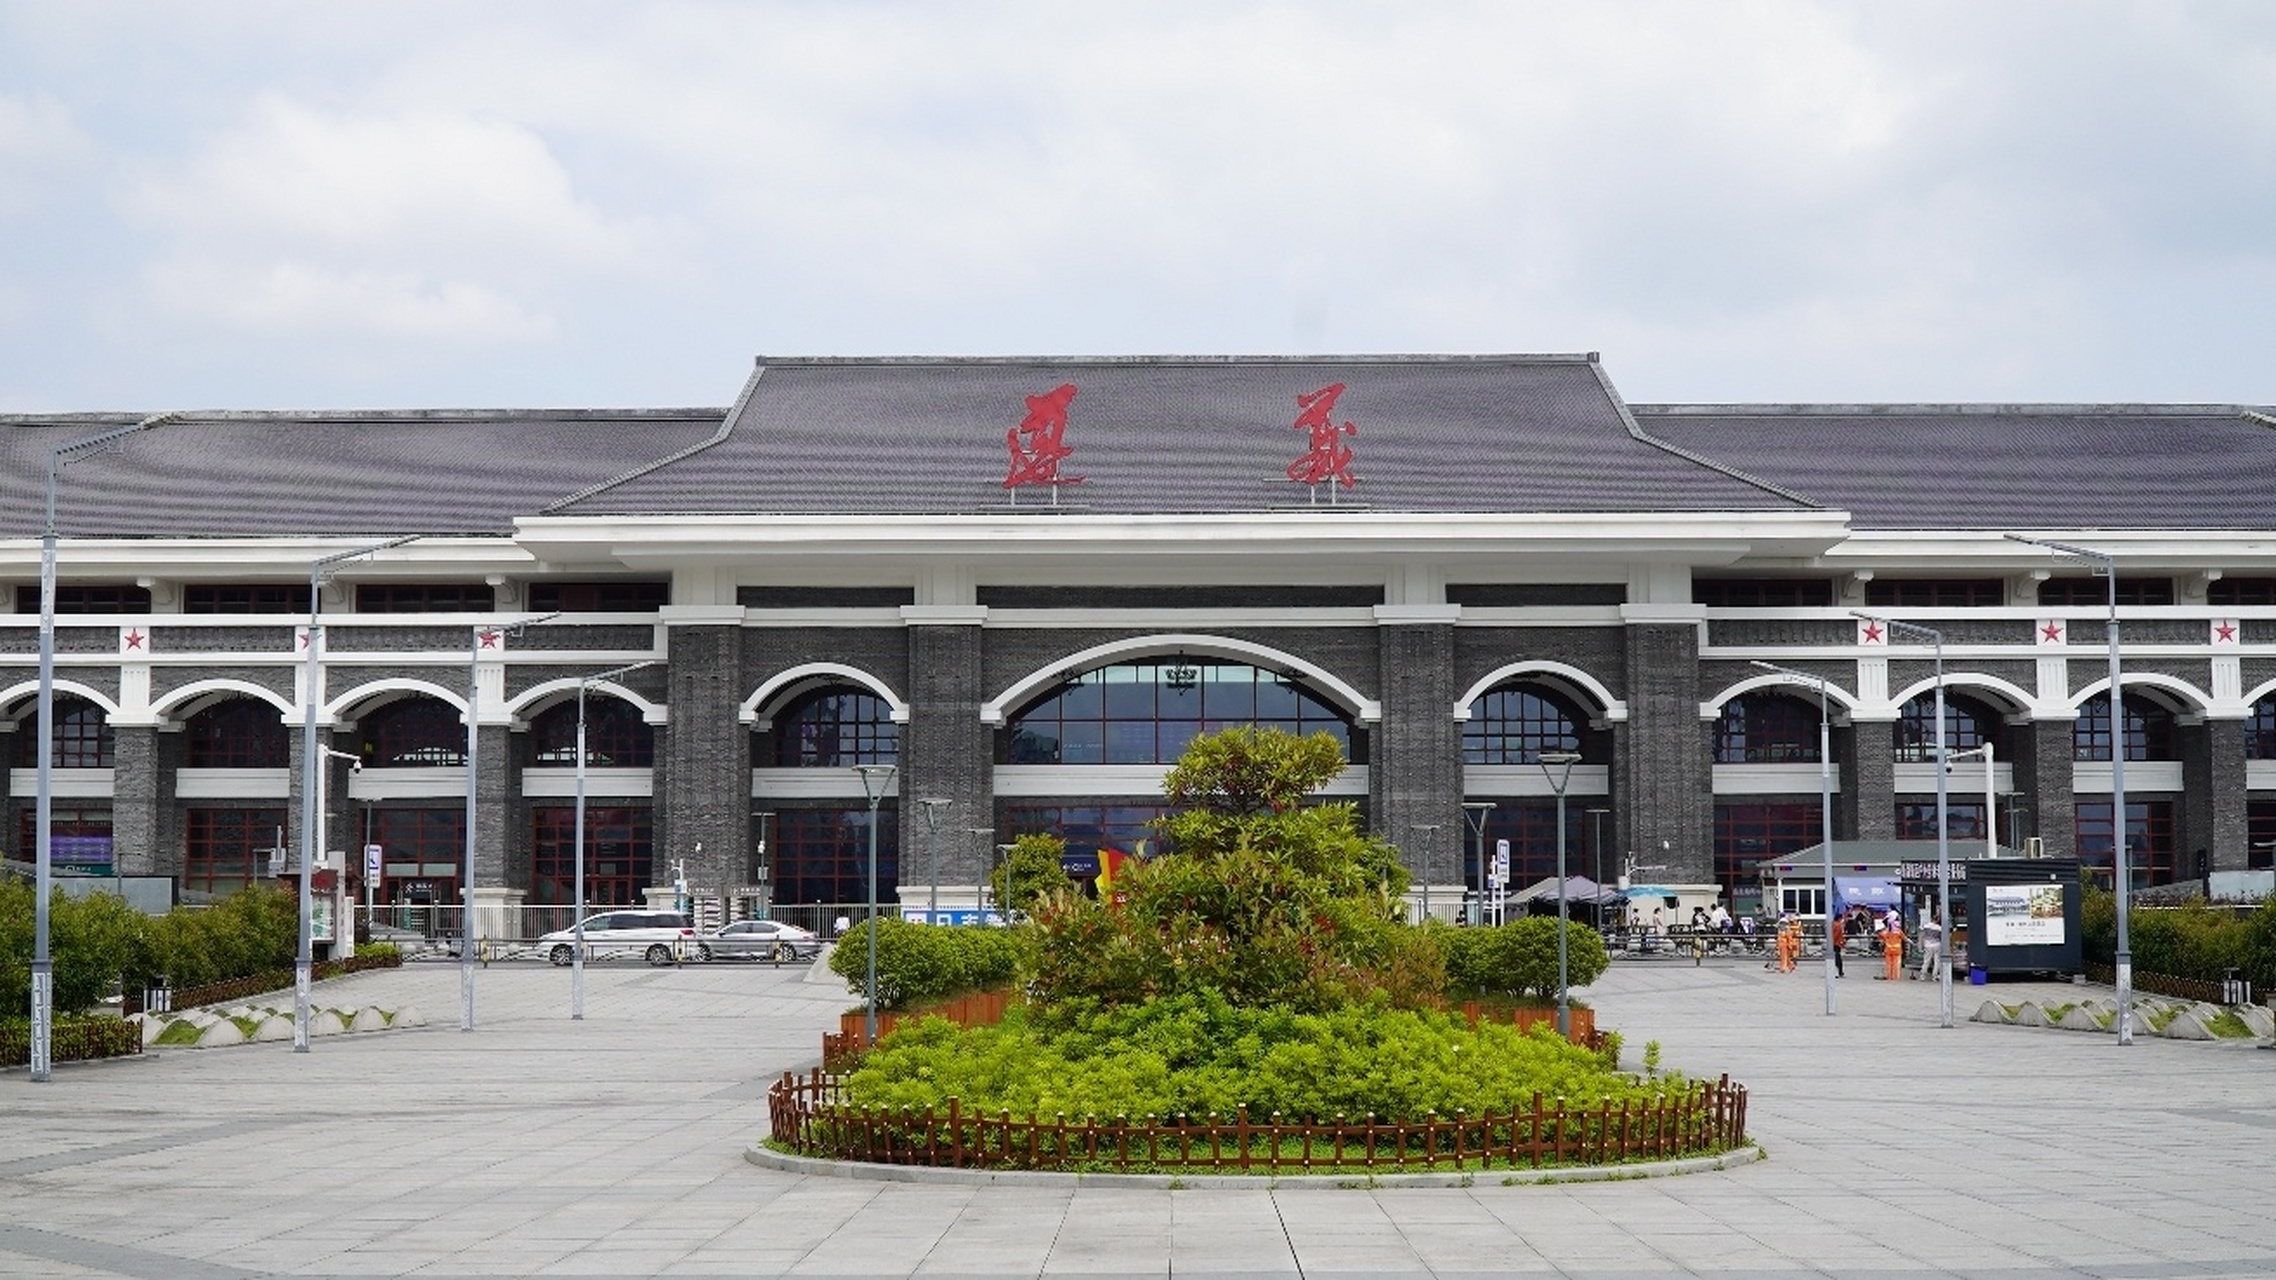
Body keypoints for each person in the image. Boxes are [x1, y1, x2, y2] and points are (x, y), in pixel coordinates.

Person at [1916, 908, 1946, 980]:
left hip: (1928, 945)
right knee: (1937, 961)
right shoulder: (1939, 928)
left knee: (1926, 960)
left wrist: (1921, 945)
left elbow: (1922, 935)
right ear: (1937, 920)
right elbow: (1941, 937)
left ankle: (1923, 975)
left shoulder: (1926, 926)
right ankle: (1934, 976)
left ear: (1931, 919)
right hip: (1937, 945)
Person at [1879, 911, 1906, 981]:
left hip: (1888, 950)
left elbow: (1881, 935)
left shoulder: (1887, 931)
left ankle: (1889, 977)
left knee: (1888, 964)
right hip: (1897, 950)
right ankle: (1895, 977)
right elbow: (1905, 938)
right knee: (1896, 964)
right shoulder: (1898, 931)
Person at [1828, 907, 1846, 978]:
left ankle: (1835, 971)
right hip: (1837, 943)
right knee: (1837, 958)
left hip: (1833, 942)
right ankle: (1839, 971)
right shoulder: (1838, 925)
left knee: (1834, 957)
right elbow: (1836, 935)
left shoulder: (1832, 924)